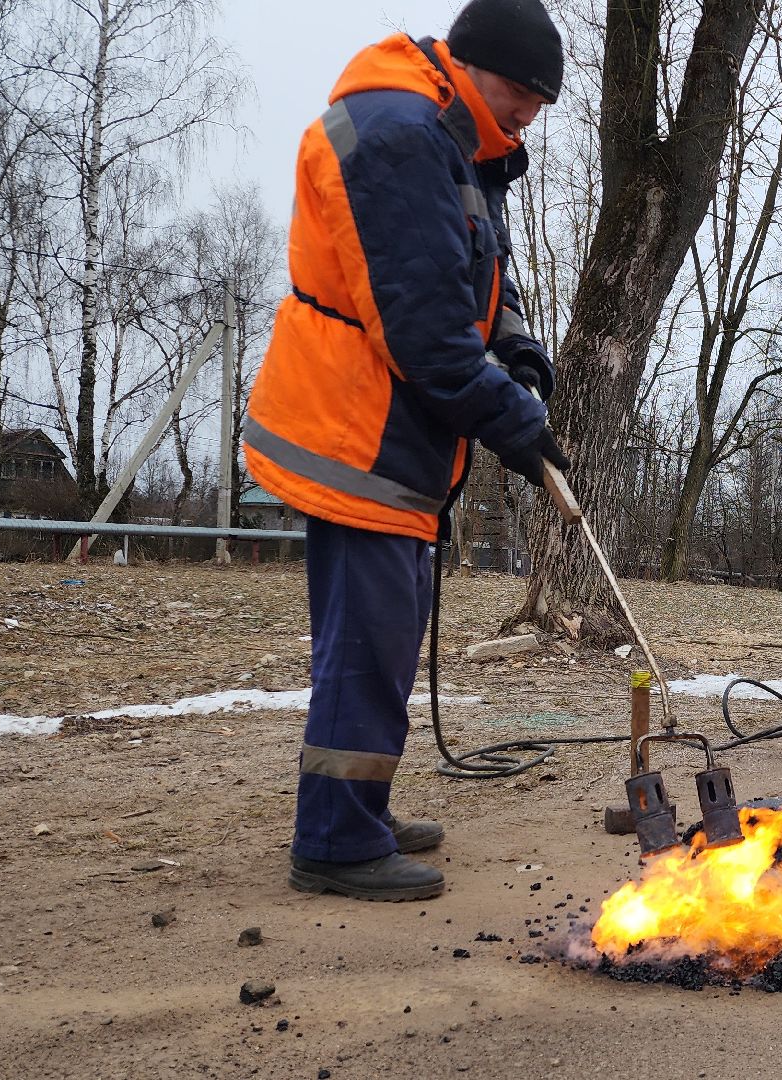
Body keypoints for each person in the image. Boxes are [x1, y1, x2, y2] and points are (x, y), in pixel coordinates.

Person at [244, 0, 569, 901]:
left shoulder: (448, 137)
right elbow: (425, 332)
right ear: (472, 65)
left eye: (543, 102)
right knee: (366, 642)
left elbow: (457, 279)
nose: (528, 114)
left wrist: (514, 346)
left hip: (393, 436)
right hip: (356, 430)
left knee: (384, 637)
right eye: (521, 93)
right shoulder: (401, 134)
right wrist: (515, 423)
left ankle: (361, 808)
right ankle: (337, 843)